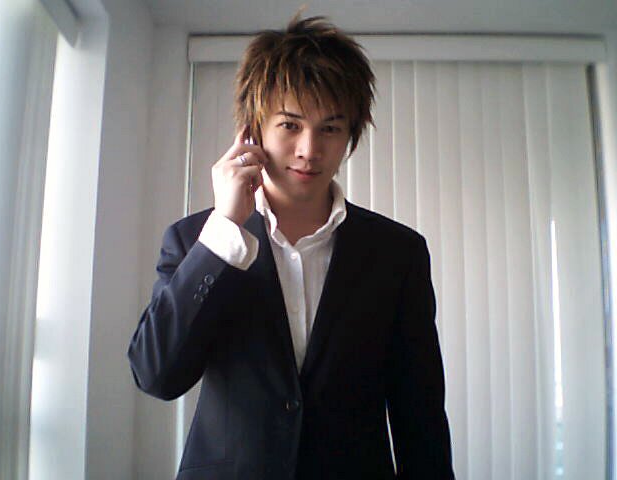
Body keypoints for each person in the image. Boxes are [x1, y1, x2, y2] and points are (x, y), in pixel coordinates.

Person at [128, 14, 454, 480]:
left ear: (350, 135)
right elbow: (156, 375)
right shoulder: (195, 240)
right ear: (253, 130)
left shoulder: (397, 253)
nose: (309, 149)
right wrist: (225, 230)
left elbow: (419, 410)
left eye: (330, 128)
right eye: (289, 125)